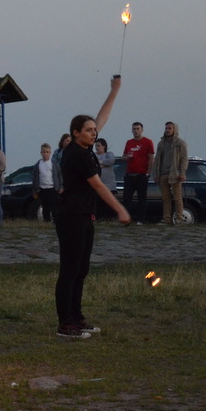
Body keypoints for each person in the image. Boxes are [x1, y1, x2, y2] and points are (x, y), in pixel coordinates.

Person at [54, 76, 130, 339]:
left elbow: (102, 118)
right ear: (75, 133)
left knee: (81, 270)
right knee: (70, 270)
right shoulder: (76, 154)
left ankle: (77, 318)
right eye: (88, 130)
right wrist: (120, 209)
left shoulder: (86, 150)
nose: (94, 132)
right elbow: (98, 186)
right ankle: (65, 325)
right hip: (71, 216)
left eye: (94, 130)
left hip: (85, 215)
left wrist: (114, 91)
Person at [153, 122, 189, 224]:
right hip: (163, 174)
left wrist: (182, 173)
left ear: (174, 129)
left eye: (169, 128)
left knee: (177, 198)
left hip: (175, 174)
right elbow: (157, 160)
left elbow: (184, 159)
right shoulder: (161, 143)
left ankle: (179, 219)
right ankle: (166, 219)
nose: (167, 130)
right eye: (166, 128)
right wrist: (156, 174)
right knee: (165, 199)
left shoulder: (180, 143)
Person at [122, 122, 154, 225]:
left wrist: (148, 173)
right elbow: (124, 156)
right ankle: (126, 219)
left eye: (137, 129)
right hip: (130, 174)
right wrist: (127, 157)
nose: (135, 131)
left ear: (142, 130)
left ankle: (140, 220)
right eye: (134, 129)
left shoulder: (147, 142)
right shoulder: (129, 142)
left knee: (141, 199)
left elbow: (151, 158)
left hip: (141, 175)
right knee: (126, 198)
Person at [31, 143, 62, 222]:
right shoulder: (38, 165)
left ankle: (56, 221)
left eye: (47, 152)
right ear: (41, 153)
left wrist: (61, 187)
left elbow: (59, 176)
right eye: (44, 152)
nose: (45, 154)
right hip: (42, 188)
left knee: (54, 206)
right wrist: (35, 190)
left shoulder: (54, 164)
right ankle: (46, 221)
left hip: (52, 188)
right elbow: (35, 178)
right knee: (45, 206)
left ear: (50, 153)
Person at [95, 138, 117, 220]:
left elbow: (111, 161)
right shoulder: (94, 155)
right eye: (96, 146)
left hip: (109, 185)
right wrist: (103, 164)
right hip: (98, 184)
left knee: (109, 203)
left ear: (104, 146)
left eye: (98, 145)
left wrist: (100, 162)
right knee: (98, 203)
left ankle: (109, 218)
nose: (97, 147)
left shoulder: (109, 154)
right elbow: (92, 163)